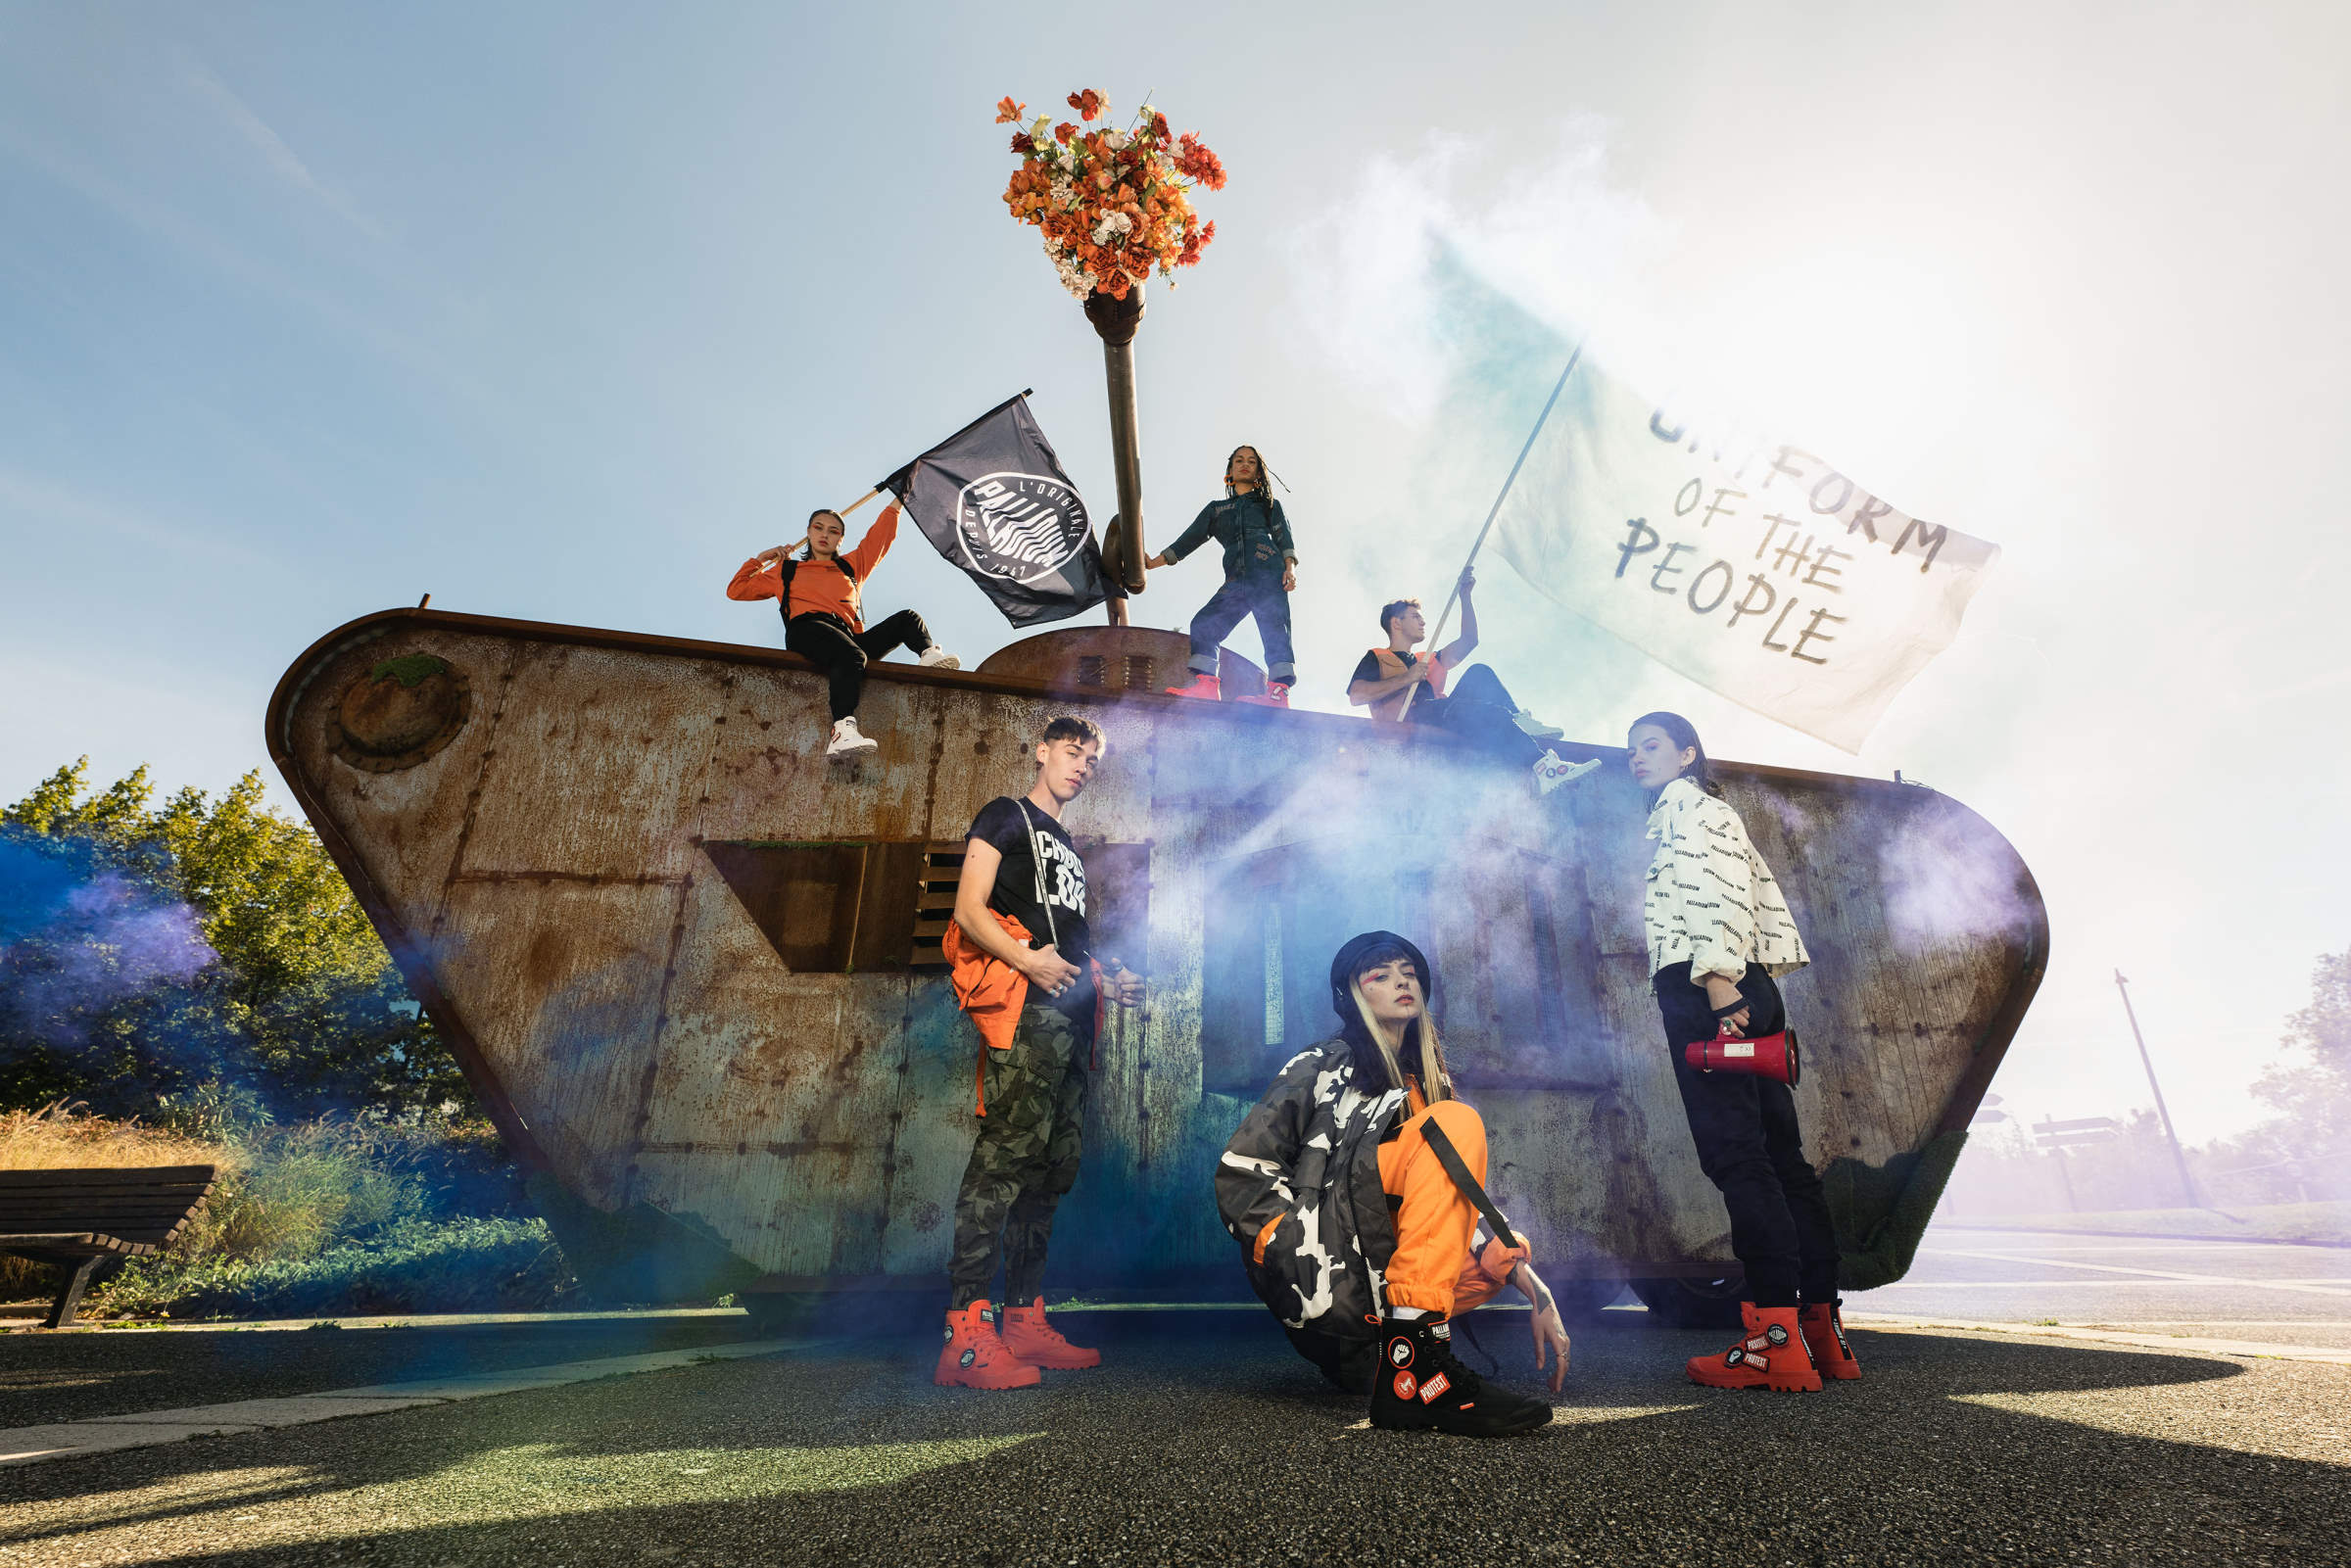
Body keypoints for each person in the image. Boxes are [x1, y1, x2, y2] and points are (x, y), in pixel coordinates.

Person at [1217, 930, 1568, 1437]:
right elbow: (1242, 1168)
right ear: (1352, 996)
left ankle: (1403, 1363)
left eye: (1409, 974)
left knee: (1493, 1261)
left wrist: (1536, 1291)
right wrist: (1287, 1247)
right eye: (1380, 976)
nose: (1402, 982)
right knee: (1454, 1124)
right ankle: (1414, 1366)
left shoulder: (1427, 1088)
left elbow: (1448, 1203)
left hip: (1375, 1315)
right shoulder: (1323, 1063)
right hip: (1326, 1277)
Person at [1627, 710, 1858, 1392]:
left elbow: (1713, 893)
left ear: (1687, 754)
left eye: (1651, 745)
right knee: (1783, 1160)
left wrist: (1719, 984)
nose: (1636, 757)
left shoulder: (1688, 807)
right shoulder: (1701, 811)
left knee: (1739, 1158)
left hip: (1709, 985)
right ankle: (1820, 1332)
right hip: (1741, 981)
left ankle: (1774, 1342)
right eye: (1631, 749)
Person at [936, 715, 1146, 1390]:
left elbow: (1067, 943)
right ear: (1041, 750)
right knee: (1003, 1160)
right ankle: (965, 1333)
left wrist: (1107, 976)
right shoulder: (1006, 815)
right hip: (1027, 1013)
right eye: (1072, 751)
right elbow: (969, 910)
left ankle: (1023, 1320)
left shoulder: (1069, 848)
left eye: (1092, 759)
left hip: (1074, 1022)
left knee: (1050, 1171)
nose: (1082, 765)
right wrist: (1028, 960)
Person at [726, 500, 959, 759]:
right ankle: (841, 732)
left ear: (840, 539)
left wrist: (898, 500)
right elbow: (736, 590)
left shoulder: (852, 566)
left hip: (845, 636)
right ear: (808, 533)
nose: (825, 534)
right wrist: (761, 560)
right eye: (818, 527)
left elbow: (880, 538)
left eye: (833, 531)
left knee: (907, 618)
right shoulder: (786, 570)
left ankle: (928, 656)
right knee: (852, 655)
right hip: (807, 629)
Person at [1347, 569, 1597, 795]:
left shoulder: (1426, 658)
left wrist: (1465, 596)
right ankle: (1545, 769)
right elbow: (1356, 695)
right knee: (1490, 714)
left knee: (1480, 673)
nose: (1423, 622)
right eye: (1415, 617)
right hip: (1411, 719)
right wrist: (1407, 678)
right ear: (1396, 623)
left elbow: (1468, 640)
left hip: (1438, 711)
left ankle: (1519, 722)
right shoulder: (1378, 657)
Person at [1149, 446, 1297, 707]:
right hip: (1235, 580)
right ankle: (1206, 685)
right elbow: (1188, 540)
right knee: (1205, 624)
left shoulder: (1269, 505)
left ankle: (1277, 694)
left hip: (1267, 571)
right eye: (1239, 460)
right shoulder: (1216, 510)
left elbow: (1283, 536)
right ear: (1230, 470)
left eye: (1251, 461)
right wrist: (1152, 563)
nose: (1245, 464)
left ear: (1259, 473)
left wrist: (1290, 569)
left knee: (1274, 626)